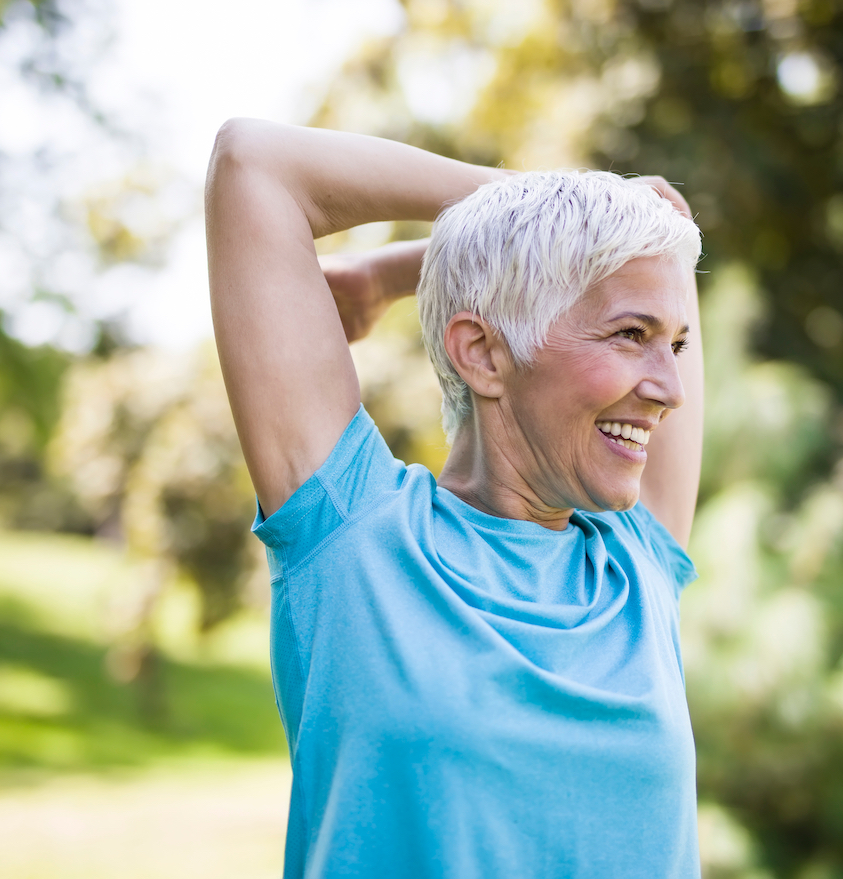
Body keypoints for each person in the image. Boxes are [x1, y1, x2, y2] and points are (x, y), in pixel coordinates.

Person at [205, 119, 704, 878]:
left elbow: (665, 246)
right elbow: (254, 163)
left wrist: (400, 271)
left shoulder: (640, 562)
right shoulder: (356, 540)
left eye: (674, 344)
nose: (668, 389)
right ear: (482, 354)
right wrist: (541, 210)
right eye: (630, 333)